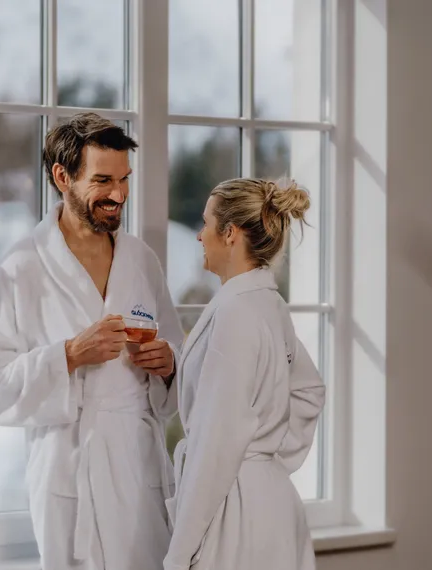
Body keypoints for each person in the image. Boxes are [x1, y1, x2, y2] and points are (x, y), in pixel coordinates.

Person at [0, 112, 183, 570]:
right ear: (62, 177)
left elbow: (177, 363)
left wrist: (168, 366)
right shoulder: (22, 267)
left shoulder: (142, 261)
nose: (119, 195)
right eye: (103, 180)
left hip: (139, 469)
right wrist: (66, 356)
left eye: (124, 179)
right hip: (69, 473)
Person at [163, 177, 326, 570]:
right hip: (272, 504)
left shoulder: (235, 314)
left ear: (230, 233)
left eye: (205, 224)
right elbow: (310, 390)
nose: (200, 236)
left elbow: (216, 448)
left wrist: (178, 554)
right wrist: (268, 459)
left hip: (234, 514)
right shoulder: (268, 304)